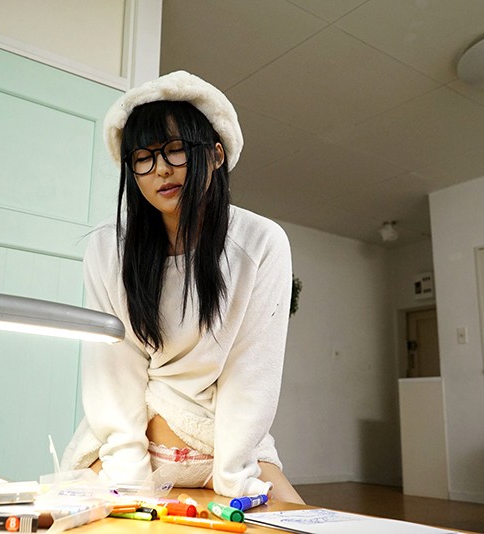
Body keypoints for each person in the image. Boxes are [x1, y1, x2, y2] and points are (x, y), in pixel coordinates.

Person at [61, 71, 303, 503]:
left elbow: (252, 376)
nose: (161, 170)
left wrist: (233, 479)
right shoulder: (108, 248)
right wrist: (131, 484)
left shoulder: (262, 243)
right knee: (61, 518)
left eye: (175, 150)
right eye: (143, 157)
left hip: (225, 452)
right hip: (129, 451)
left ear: (215, 154)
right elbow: (113, 373)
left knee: (301, 523)